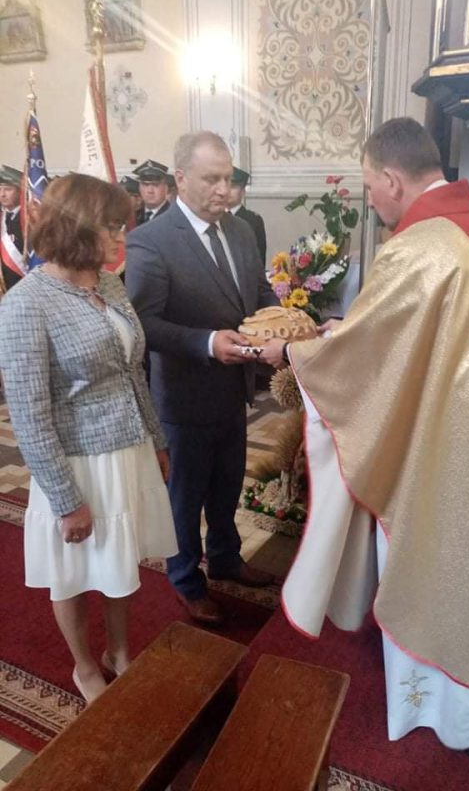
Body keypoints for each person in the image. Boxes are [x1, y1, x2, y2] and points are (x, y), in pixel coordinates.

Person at [260, 117, 469, 779]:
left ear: (391, 178)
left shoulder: (421, 247)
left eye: (369, 186)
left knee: (455, 583)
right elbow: (410, 338)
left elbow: (368, 360)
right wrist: (346, 330)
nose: (371, 201)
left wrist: (295, 354)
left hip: (464, 461)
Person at [0, 174, 178, 705]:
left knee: (121, 561)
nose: (122, 237)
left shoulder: (108, 283)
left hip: (127, 451)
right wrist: (64, 498)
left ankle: (119, 652)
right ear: (76, 227)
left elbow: (132, 371)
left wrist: (156, 440)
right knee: (73, 572)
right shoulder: (27, 303)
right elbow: (29, 413)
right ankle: (84, 667)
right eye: (110, 227)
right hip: (75, 463)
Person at [126, 131, 277, 626]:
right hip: (184, 399)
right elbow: (143, 325)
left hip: (234, 391)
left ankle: (227, 558)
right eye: (211, 179)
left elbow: (259, 293)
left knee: (227, 486)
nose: (223, 190)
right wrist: (208, 342)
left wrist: (286, 324)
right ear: (181, 178)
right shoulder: (151, 240)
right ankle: (186, 580)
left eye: (228, 179)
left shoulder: (241, 230)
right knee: (185, 499)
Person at [228, 166, 267, 264]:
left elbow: (259, 257)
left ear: (242, 192)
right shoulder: (214, 217)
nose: (228, 191)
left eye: (233, 187)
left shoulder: (253, 220)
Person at [0, 165, 26, 292]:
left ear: (20, 191)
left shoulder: (29, 219)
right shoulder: (2, 216)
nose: (2, 194)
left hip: (23, 283)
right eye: (0, 189)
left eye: (8, 189)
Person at [132, 159, 170, 226]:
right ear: (139, 188)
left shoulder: (174, 215)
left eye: (156, 185)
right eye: (145, 185)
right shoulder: (133, 217)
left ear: (166, 189)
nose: (150, 191)